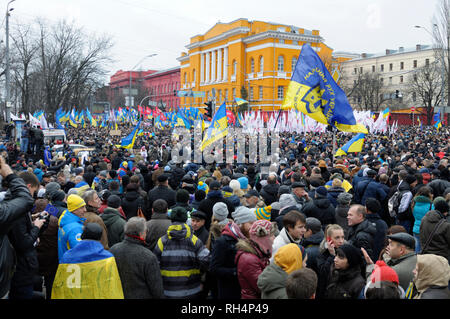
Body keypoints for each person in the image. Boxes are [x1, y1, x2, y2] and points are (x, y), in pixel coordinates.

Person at [51, 223, 124, 299]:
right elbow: (112, 285)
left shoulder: (67, 257)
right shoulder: (108, 258)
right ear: (100, 238)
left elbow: (60, 284)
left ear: (83, 235)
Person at [153, 207, 210, 299]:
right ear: (185, 220)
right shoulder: (194, 240)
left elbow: (155, 265)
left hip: (168, 290)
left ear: (171, 220)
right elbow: (206, 260)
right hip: (192, 290)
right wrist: (199, 274)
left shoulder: (162, 241)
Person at [7, 171, 46, 299]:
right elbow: (23, 243)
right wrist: (36, 227)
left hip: (20, 268)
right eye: (34, 192)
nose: (33, 196)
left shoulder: (13, 205)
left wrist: (32, 220)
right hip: (20, 270)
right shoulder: (17, 209)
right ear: (28, 186)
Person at [110, 217, 164, 299]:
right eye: (146, 231)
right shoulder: (148, 256)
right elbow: (156, 288)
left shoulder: (113, 250)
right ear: (141, 234)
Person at [209, 207, 256, 299]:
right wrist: (237, 272)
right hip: (229, 291)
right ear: (240, 224)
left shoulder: (248, 238)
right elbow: (214, 269)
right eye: (250, 223)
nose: (253, 226)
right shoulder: (223, 241)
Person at [235, 220, 276, 299]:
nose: (274, 237)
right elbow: (261, 286)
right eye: (271, 235)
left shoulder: (259, 252)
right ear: (262, 238)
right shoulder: (249, 259)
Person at [316, 224, 346, 299]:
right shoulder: (322, 253)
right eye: (337, 238)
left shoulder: (347, 251)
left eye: (342, 237)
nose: (341, 241)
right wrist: (332, 255)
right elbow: (324, 273)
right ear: (328, 239)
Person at [57, 194, 88, 262]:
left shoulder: (65, 220)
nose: (85, 210)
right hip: (74, 268)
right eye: (81, 207)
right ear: (74, 210)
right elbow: (80, 253)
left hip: (66, 264)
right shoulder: (75, 229)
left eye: (85, 207)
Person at [419, 197, 450, 262]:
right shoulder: (446, 225)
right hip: (441, 257)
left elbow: (421, 234)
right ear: (444, 211)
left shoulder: (424, 219)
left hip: (426, 254)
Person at [411, 186, 434, 254]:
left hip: (416, 228)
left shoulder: (414, 202)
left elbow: (413, 214)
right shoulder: (431, 205)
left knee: (416, 247)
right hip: (426, 229)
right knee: (425, 248)